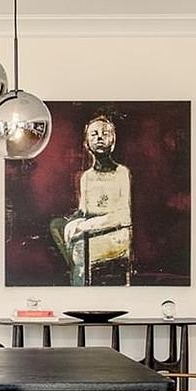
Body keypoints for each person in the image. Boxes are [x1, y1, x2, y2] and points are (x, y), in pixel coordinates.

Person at [50, 113, 132, 284]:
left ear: (113, 141)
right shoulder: (86, 177)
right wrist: (72, 223)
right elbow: (83, 211)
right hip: (90, 230)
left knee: (79, 247)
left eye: (105, 133)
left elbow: (122, 216)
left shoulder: (121, 173)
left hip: (116, 233)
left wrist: (85, 227)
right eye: (94, 134)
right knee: (57, 226)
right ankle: (74, 269)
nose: (100, 137)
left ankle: (79, 285)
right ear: (87, 143)